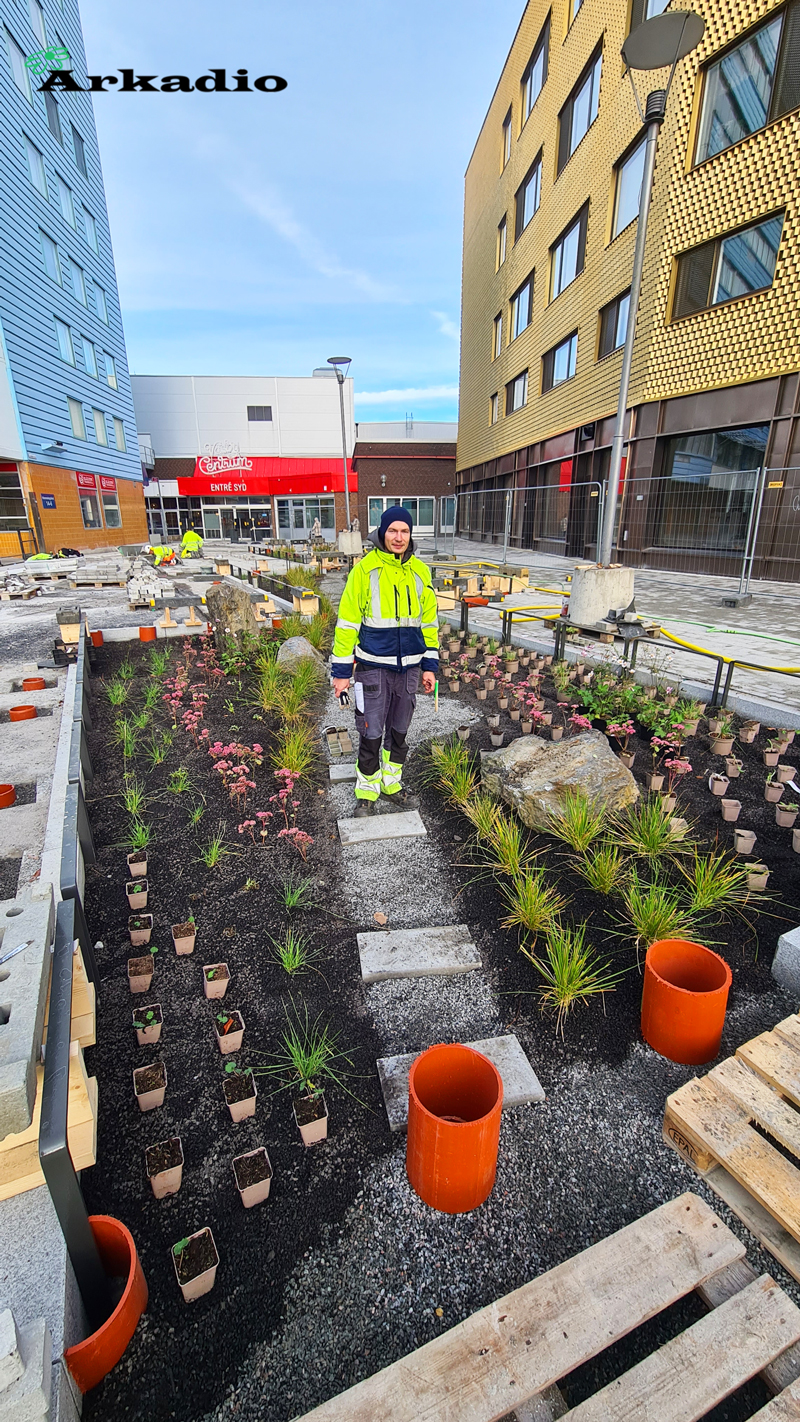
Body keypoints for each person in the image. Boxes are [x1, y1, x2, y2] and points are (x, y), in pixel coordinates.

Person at [331, 505, 439, 816]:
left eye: (404, 531)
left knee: (399, 732)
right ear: (382, 532)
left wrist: (430, 667)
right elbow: (347, 624)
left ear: (410, 534)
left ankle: (391, 783)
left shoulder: (421, 572)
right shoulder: (365, 571)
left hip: (409, 670)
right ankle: (367, 789)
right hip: (373, 669)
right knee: (371, 731)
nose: (398, 537)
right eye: (393, 530)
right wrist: (341, 672)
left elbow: (429, 624)